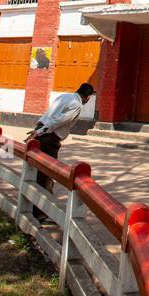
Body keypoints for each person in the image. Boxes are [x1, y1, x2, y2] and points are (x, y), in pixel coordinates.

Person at [27, 83, 95, 222]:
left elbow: (48, 114)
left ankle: (34, 209)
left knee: (38, 172)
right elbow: (58, 121)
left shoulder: (64, 96)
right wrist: (40, 132)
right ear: (88, 98)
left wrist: (38, 130)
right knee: (46, 175)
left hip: (42, 130)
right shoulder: (77, 105)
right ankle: (41, 213)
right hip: (49, 138)